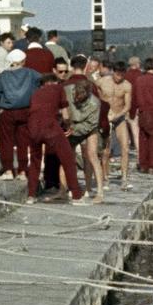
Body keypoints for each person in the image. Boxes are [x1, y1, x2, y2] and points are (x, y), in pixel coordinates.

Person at [26, 74, 83, 202]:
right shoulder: (59, 88)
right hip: (50, 126)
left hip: (33, 126)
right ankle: (76, 195)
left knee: (35, 161)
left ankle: (31, 195)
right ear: (55, 82)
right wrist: (69, 126)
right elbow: (65, 114)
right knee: (68, 159)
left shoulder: (36, 93)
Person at [0, 48, 39, 179]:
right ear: (23, 61)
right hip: (25, 110)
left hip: (7, 111)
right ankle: (23, 171)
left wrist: (3, 102)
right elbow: (42, 83)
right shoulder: (31, 74)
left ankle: (8, 170)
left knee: (6, 141)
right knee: (23, 141)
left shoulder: (3, 75)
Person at [65, 57, 104, 201]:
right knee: (66, 156)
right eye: (76, 95)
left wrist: (74, 130)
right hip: (71, 124)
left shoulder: (95, 103)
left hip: (88, 126)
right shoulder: (67, 90)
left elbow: (90, 124)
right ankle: (65, 189)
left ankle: (98, 191)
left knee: (92, 155)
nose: (77, 98)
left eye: (80, 97)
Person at [96, 60, 132, 189]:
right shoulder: (103, 81)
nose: (119, 78)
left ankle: (124, 178)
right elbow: (95, 91)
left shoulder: (127, 86)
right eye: (117, 75)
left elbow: (127, 106)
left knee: (125, 148)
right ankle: (105, 178)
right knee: (106, 151)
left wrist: (116, 115)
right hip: (105, 117)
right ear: (113, 72)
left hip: (119, 117)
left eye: (122, 75)